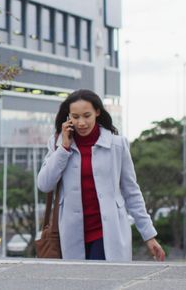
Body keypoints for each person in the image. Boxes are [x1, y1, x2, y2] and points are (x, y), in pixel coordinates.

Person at [37, 89, 165, 262]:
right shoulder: (58, 143)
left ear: (97, 112)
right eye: (75, 117)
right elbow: (44, 184)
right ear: (68, 117)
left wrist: (149, 236)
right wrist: (64, 148)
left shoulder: (117, 145)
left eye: (86, 115)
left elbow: (131, 192)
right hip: (72, 234)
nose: (81, 122)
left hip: (107, 232)